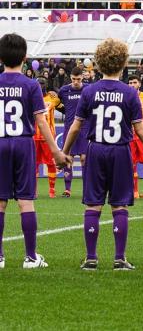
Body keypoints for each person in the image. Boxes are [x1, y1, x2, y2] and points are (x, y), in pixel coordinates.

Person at [62, 39, 143, 271]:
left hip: (95, 149)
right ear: (123, 63)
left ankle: (91, 258)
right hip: (120, 151)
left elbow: (74, 126)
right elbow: (141, 130)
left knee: (93, 205)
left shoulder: (89, 91)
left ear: (99, 63)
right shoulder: (129, 93)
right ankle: (119, 258)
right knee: (119, 205)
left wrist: (63, 153)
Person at [0, 33, 68, 269]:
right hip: (23, 143)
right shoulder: (30, 85)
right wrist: (56, 152)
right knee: (26, 201)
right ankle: (30, 257)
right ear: (25, 57)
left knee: (0, 202)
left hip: (0, 142)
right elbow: (41, 122)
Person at [57, 68, 87, 198]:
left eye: (78, 79)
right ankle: (67, 189)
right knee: (68, 158)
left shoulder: (88, 89)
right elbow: (58, 104)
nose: (76, 82)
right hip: (69, 128)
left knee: (84, 158)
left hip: (85, 128)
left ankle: (87, 188)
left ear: (82, 78)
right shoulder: (64, 90)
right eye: (74, 79)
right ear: (70, 77)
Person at [34, 78, 59, 198]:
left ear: (46, 85)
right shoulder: (31, 97)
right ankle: (34, 190)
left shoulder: (52, 98)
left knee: (51, 163)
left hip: (48, 136)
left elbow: (59, 101)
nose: (41, 86)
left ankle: (52, 190)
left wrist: (55, 94)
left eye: (43, 84)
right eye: (39, 84)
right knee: (34, 164)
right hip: (34, 136)